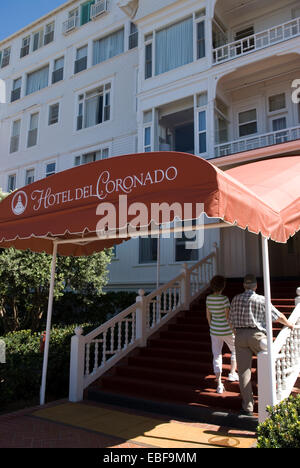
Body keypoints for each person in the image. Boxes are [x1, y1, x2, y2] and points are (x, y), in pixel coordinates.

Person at [230, 274, 295, 416]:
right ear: (255, 286)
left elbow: (231, 319)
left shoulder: (235, 299)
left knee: (243, 372)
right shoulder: (261, 299)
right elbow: (278, 316)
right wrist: (289, 324)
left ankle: (247, 407)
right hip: (257, 336)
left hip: (240, 336)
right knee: (269, 363)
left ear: (243, 285)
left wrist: (237, 331)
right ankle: (269, 399)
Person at [206, 275, 238, 394]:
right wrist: (233, 330)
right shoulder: (224, 299)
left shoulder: (208, 299)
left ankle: (219, 383)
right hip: (226, 330)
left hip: (214, 330)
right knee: (235, 350)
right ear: (222, 286)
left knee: (217, 355)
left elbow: (208, 315)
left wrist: (211, 326)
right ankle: (232, 373)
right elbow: (227, 317)